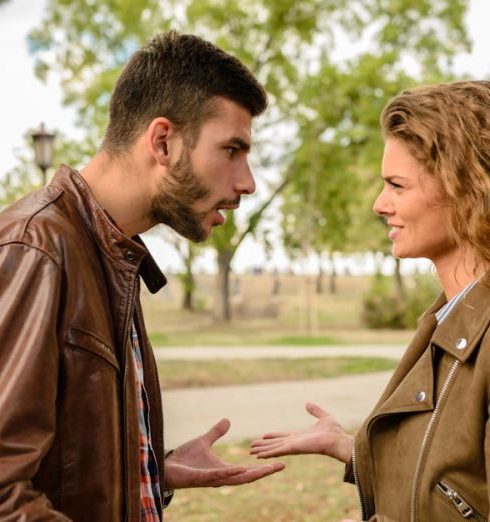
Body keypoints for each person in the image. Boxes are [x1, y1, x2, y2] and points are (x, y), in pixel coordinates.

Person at [0, 31, 284, 521]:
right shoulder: (37, 248)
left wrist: (152, 470)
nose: (248, 183)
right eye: (231, 150)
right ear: (162, 141)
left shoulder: (109, 253)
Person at [250, 80, 490, 522]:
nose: (380, 204)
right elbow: (452, 484)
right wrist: (349, 450)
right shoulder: (445, 318)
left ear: (466, 187)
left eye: (397, 185)